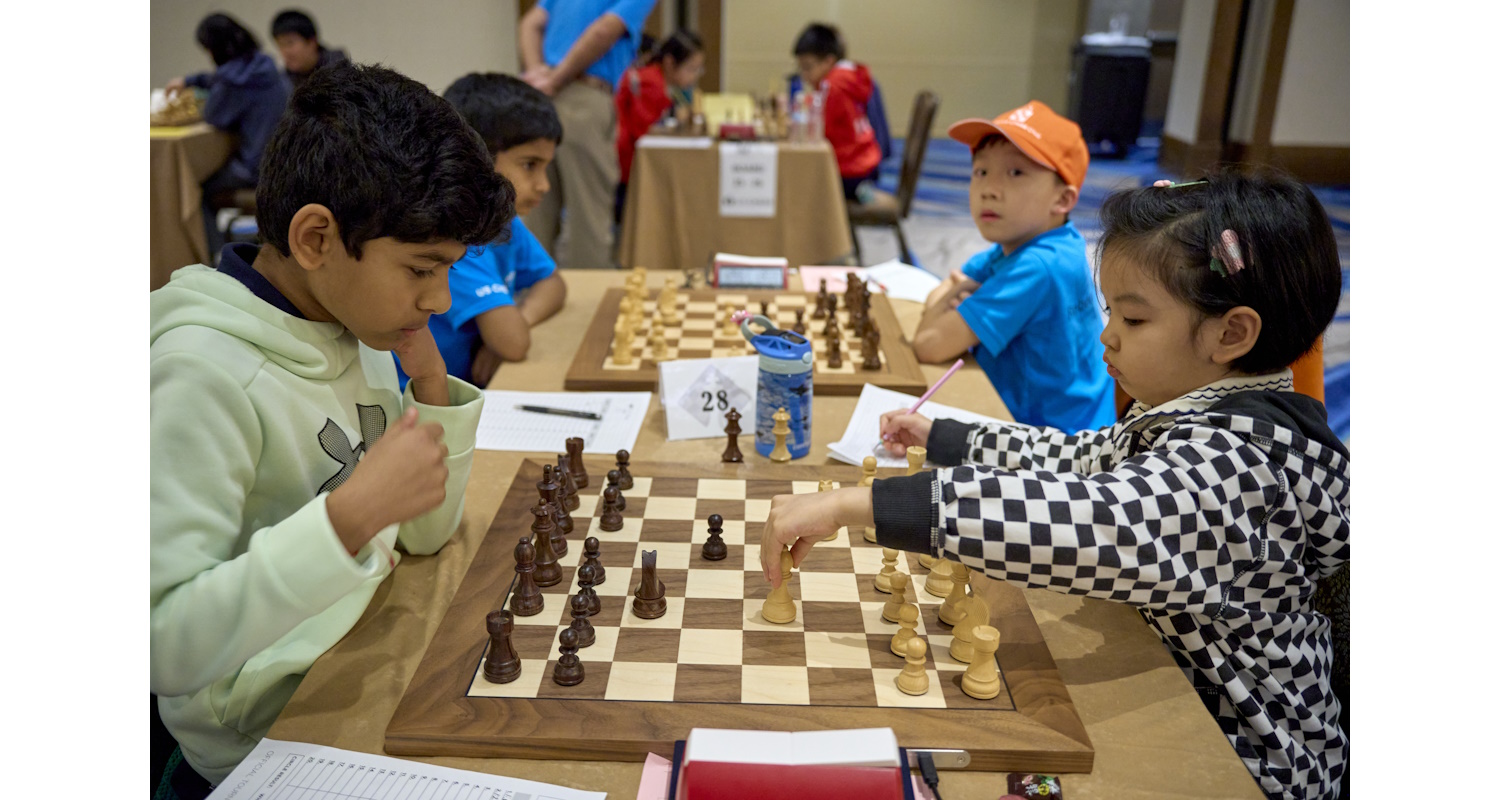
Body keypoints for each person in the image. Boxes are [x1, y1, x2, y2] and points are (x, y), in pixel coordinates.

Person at [758, 169, 1349, 800]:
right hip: (1170, 681)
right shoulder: (1204, 416)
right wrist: (946, 438)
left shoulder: (1240, 466)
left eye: (1134, 319)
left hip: (1251, 760)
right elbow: (1081, 458)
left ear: (1230, 334)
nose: (1107, 336)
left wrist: (862, 503)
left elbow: (1089, 522)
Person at [151, 62, 514, 799]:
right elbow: (160, 645)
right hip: (266, 741)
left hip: (370, 655)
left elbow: (423, 535)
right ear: (316, 237)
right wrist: (346, 520)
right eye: (421, 268)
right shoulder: (199, 373)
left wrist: (434, 390)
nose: (440, 299)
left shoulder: (352, 326)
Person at [915, 100, 1114, 433]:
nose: (989, 190)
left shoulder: (1038, 265)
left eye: (1015, 172)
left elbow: (929, 344)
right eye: (981, 171)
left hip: (1049, 444)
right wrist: (952, 293)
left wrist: (954, 295)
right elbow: (951, 286)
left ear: (1062, 200)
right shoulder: (1047, 244)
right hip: (1082, 420)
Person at [395, 73, 568, 389]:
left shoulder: (505, 222)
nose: (544, 185)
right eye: (530, 165)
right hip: (420, 398)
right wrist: (508, 330)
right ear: (478, 158)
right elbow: (514, 343)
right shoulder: (455, 239)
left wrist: (519, 321)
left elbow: (554, 284)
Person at [517, 0, 659, 269]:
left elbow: (530, 23)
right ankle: (587, 307)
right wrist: (556, 79)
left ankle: (533, 299)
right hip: (583, 97)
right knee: (588, 219)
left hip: (542, 100)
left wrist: (537, 74)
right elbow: (604, 31)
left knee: (537, 209)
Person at [165, 13, 290, 260]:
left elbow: (214, 115)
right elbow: (220, 80)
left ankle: (216, 257)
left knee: (193, 188)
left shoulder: (232, 84)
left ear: (213, 50)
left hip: (255, 169)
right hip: (281, 162)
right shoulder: (264, 65)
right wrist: (193, 80)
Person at [614, 29, 704, 207]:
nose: (694, 76)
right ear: (670, 62)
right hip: (625, 165)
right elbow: (644, 133)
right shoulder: (651, 82)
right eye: (691, 69)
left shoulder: (658, 79)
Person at [792, 22, 880, 201]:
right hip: (865, 162)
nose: (803, 75)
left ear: (828, 61)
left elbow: (820, 128)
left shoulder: (833, 85)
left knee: (798, 183)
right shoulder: (846, 78)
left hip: (851, 169)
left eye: (808, 67)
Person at [271, 9, 349, 90]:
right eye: (280, 45)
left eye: (290, 43)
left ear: (312, 42)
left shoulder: (340, 71)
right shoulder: (284, 81)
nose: (285, 51)